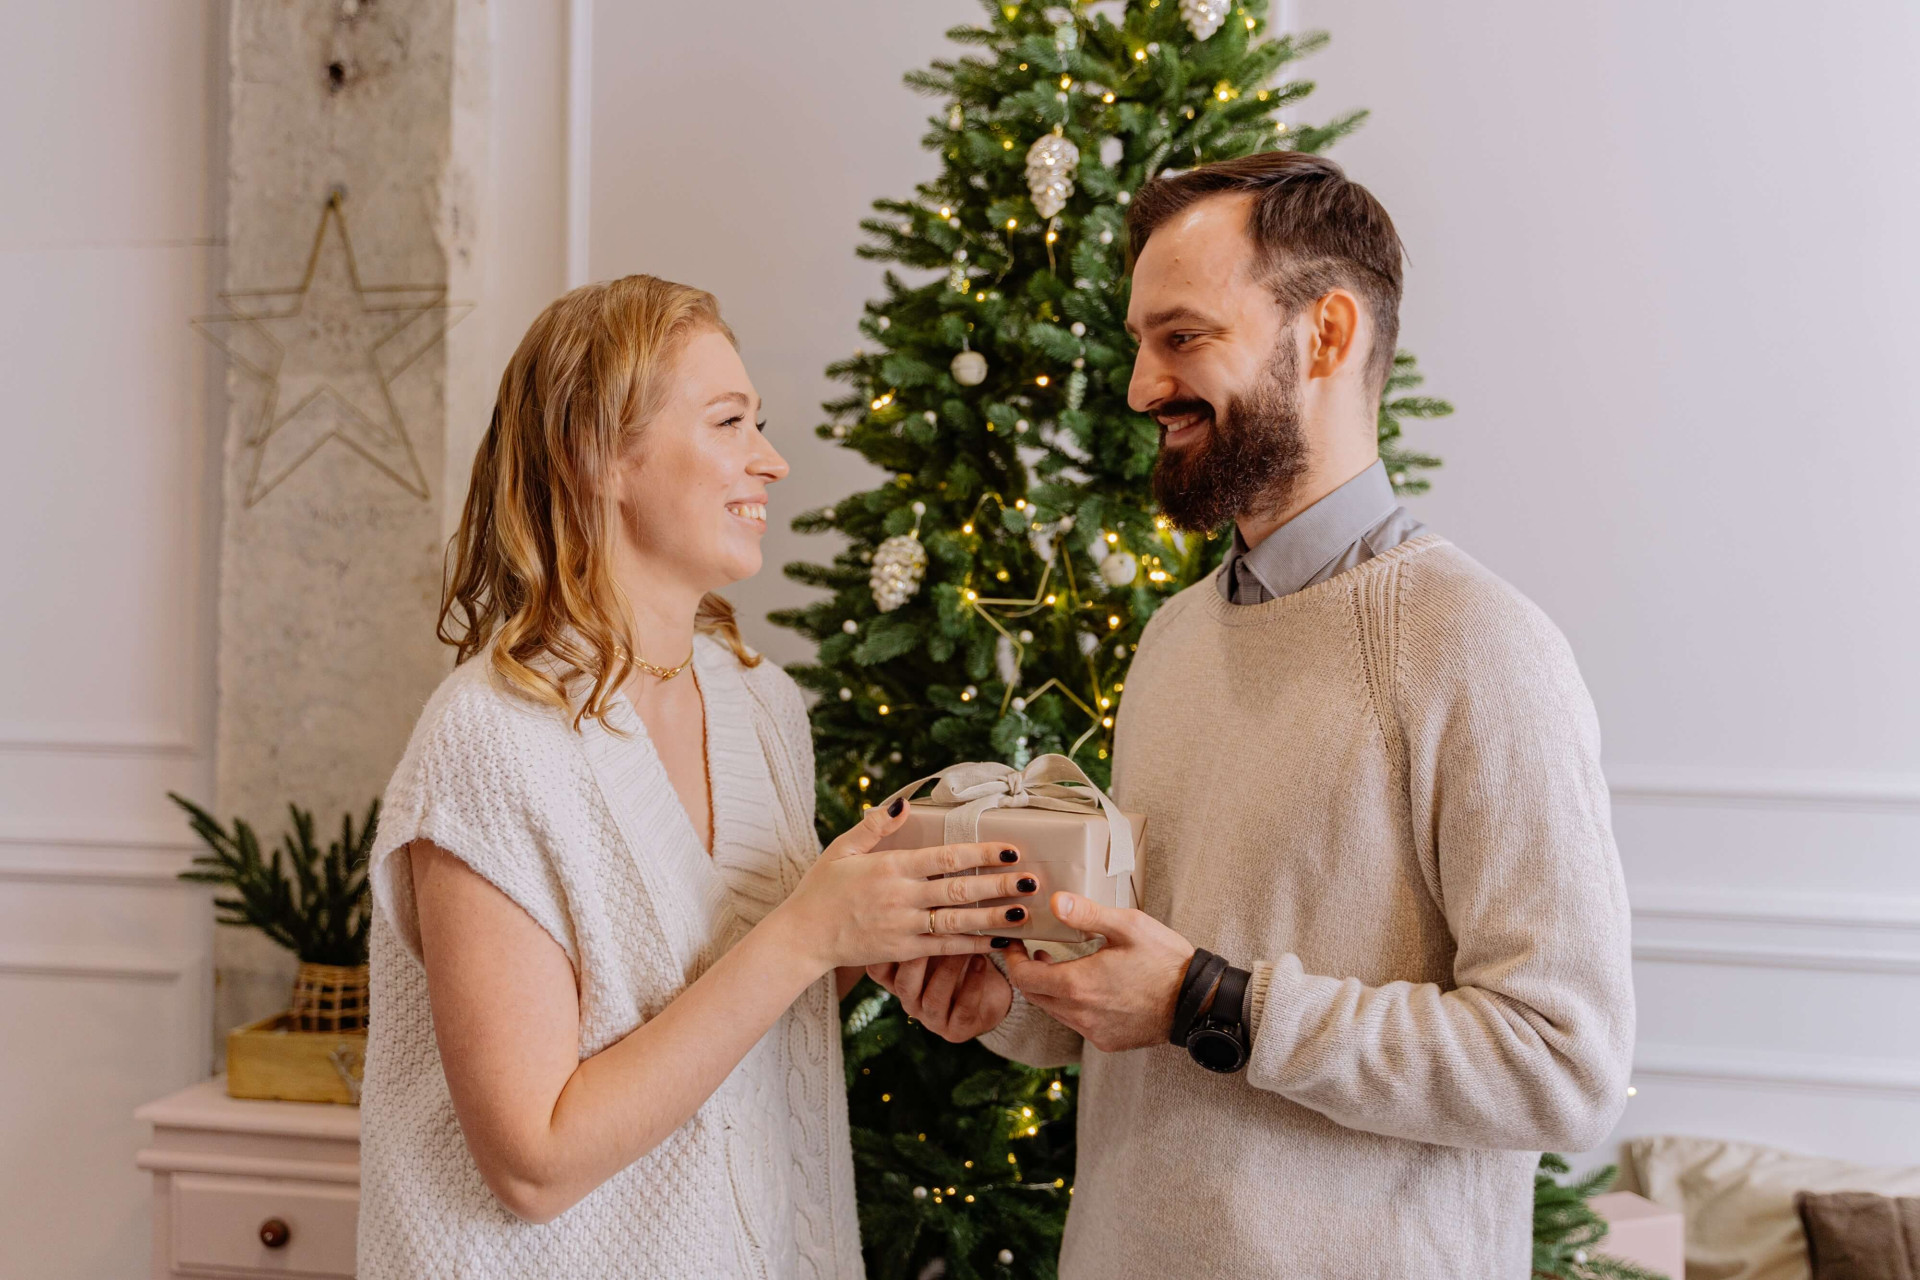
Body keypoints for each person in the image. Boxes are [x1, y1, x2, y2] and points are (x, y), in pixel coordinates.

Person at [868, 152, 1637, 1278]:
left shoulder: (1479, 647)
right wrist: (1015, 1000)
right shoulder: (1178, 638)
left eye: (1181, 337)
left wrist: (1208, 999)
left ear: (1325, 335)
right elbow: (1150, 982)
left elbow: (1563, 1065)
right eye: (1140, 340)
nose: (1139, 385)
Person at [357, 276, 1042, 1279]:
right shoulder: (490, 739)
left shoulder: (761, 702)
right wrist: (811, 929)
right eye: (729, 422)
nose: (772, 458)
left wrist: (885, 928)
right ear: (595, 454)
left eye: (758, 423)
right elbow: (534, 1160)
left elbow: (740, 988)